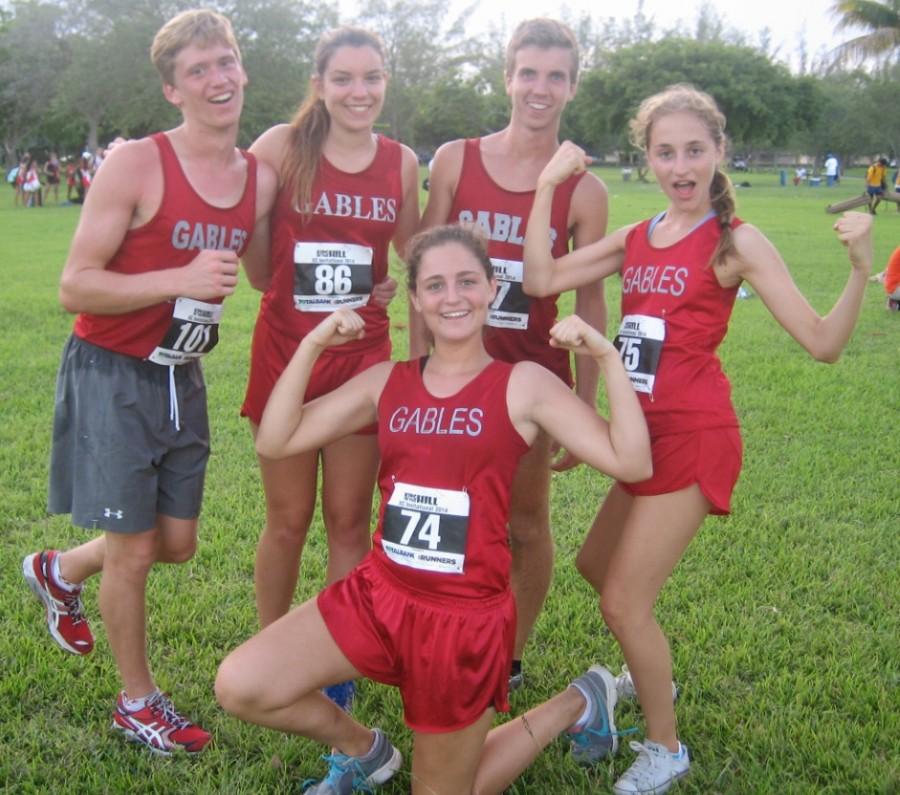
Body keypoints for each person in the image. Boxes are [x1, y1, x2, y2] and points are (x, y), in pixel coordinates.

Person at [215, 223, 652, 795]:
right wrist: (312, 344)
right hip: (379, 595)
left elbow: (631, 461)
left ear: (491, 289)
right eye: (436, 285)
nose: (453, 297)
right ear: (416, 300)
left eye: (467, 281)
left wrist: (606, 355)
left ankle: (579, 700)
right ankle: (363, 749)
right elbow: (275, 440)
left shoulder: (524, 384)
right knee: (241, 684)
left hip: (462, 618)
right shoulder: (386, 382)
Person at [522, 84, 873, 795]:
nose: (680, 165)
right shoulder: (640, 234)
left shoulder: (736, 240)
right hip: (638, 436)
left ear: (719, 152)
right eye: (664, 151)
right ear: (646, 157)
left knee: (623, 601)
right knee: (596, 567)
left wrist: (862, 267)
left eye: (694, 149)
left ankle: (665, 744)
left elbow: (823, 344)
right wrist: (546, 187)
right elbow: (541, 277)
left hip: (696, 436)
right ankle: (654, 678)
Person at [21, 8, 275, 755]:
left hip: (178, 371)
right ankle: (138, 702)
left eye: (224, 62)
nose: (217, 78)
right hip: (111, 371)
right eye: (198, 70)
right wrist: (180, 276)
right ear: (173, 90)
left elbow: (258, 269)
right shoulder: (136, 163)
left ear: (243, 69)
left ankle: (58, 569)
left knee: (177, 540)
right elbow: (75, 285)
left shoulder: (254, 177)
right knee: (132, 549)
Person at [416, 18, 608, 689]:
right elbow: (421, 272)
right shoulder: (455, 160)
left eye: (556, 76)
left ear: (572, 86)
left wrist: (582, 406)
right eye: (529, 72)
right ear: (507, 76)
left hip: (530, 383)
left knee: (524, 523)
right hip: (449, 378)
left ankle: (510, 656)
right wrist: (415, 374)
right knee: (443, 513)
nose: (540, 88)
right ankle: (436, 637)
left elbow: (588, 302)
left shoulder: (584, 189)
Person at [240, 28, 419, 710]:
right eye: (343, 78)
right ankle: (270, 649)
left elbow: (410, 249)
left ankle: (337, 664)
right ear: (319, 82)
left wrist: (395, 286)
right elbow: (258, 266)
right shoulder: (280, 148)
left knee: (348, 521)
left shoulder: (399, 161)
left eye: (372, 78)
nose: (359, 92)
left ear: (385, 83)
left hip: (363, 361)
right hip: (288, 355)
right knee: (287, 518)